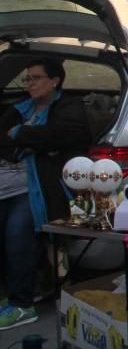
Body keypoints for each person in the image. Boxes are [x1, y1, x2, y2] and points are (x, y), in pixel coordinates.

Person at [0, 59, 91, 329]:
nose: (30, 83)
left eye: (36, 78)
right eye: (27, 79)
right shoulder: (19, 109)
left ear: (55, 81)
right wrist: (30, 143)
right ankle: (19, 291)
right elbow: (3, 140)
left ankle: (22, 305)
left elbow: (63, 135)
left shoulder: (69, 106)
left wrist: (21, 134)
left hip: (39, 186)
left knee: (17, 231)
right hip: (7, 185)